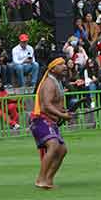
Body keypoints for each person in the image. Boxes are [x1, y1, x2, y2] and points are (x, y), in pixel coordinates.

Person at [30, 58, 71, 189]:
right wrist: (62, 115)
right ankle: (40, 179)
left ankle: (48, 180)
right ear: (52, 69)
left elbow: (54, 104)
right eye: (61, 64)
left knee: (62, 149)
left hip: (50, 121)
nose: (65, 66)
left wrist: (63, 113)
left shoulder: (57, 82)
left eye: (65, 64)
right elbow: (46, 105)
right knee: (53, 146)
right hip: (41, 120)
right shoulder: (49, 83)